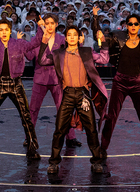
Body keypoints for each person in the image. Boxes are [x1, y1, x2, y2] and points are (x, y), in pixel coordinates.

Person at [92, 7, 140, 160]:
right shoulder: (117, 37)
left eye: (136, 24)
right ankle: (103, 148)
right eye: (130, 24)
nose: (133, 26)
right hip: (120, 81)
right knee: (112, 116)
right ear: (126, 25)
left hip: (136, 82)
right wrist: (95, 18)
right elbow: (99, 37)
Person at [38, 25, 109, 174]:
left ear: (78, 37)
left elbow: (104, 59)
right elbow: (43, 60)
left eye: (74, 35)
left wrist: (103, 41)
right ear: (66, 38)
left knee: (91, 129)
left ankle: (96, 161)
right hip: (68, 94)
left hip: (83, 94)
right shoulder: (58, 54)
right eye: (69, 34)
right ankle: (54, 162)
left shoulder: (86, 52)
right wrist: (44, 42)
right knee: (59, 129)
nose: (71, 37)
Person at [0, 18, 44, 161]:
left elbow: (35, 43)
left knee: (26, 116)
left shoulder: (19, 44)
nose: (4, 32)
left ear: (10, 30)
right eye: (1, 30)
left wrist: (41, 27)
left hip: (16, 84)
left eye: (6, 29)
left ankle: (32, 147)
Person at [25, 13, 80, 148]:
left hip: (57, 79)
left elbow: (72, 50)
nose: (49, 26)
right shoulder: (37, 39)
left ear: (56, 24)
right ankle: (29, 137)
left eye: (52, 23)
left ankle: (71, 137)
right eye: (47, 23)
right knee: (33, 110)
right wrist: (22, 46)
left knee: (64, 109)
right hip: (40, 79)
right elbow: (29, 55)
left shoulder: (62, 39)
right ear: (43, 24)